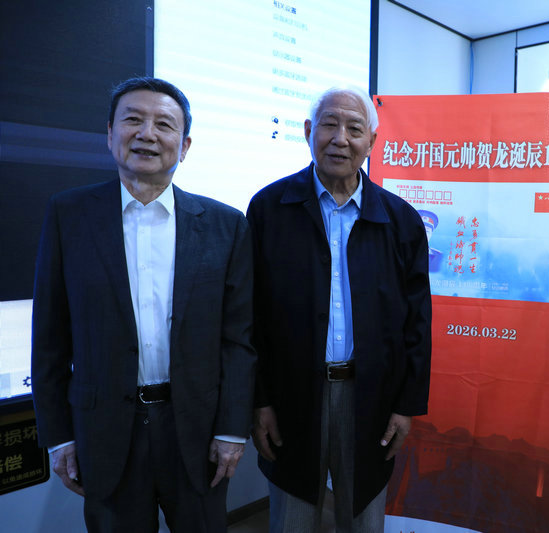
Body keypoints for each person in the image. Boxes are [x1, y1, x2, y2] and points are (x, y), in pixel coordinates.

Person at [31, 77, 256, 532]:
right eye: (133, 119)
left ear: (184, 145)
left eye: (164, 124)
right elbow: (50, 338)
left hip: (196, 430)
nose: (147, 134)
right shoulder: (69, 215)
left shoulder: (225, 225)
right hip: (105, 430)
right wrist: (58, 436)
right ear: (110, 133)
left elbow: (239, 340)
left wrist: (232, 430)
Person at [247, 86, 432, 532]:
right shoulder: (269, 209)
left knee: (364, 516)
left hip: (370, 395)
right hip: (292, 393)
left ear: (372, 141)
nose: (340, 138)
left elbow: (417, 323)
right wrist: (259, 400)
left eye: (354, 128)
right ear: (308, 131)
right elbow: (250, 317)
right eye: (329, 124)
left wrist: (406, 405)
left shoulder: (400, 220)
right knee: (291, 517)